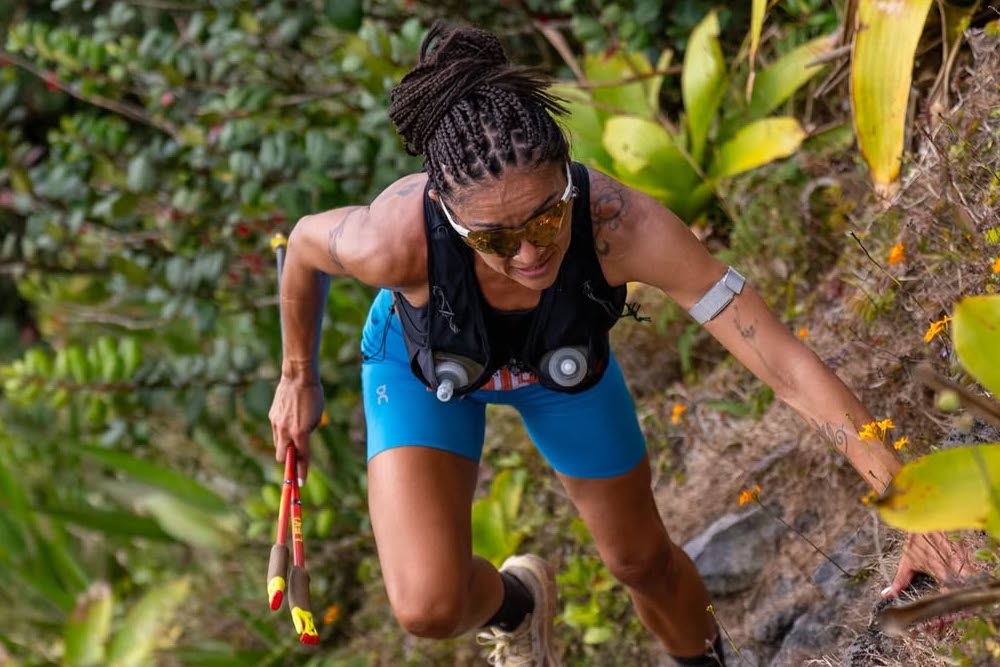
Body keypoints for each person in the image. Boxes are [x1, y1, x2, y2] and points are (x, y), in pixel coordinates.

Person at [268, 20, 969, 667]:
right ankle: (520, 606)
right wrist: (298, 373)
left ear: (568, 179)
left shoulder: (619, 226)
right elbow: (301, 245)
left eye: (546, 220)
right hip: (423, 367)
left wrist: (916, 504)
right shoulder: (393, 240)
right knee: (428, 605)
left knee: (642, 560)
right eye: (494, 240)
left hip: (559, 368)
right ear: (451, 219)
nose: (527, 255)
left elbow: (781, 361)